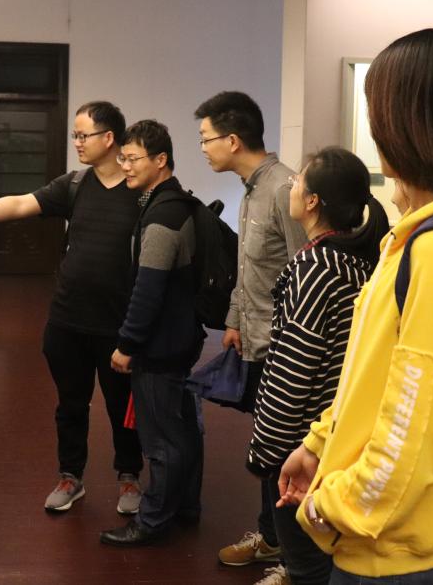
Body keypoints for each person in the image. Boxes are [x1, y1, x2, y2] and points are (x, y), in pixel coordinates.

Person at [277, 28, 433, 583]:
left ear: (410, 125)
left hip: (392, 552)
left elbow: (415, 435)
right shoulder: (421, 239)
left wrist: (330, 507)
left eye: (380, 111)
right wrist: (321, 444)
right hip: (387, 538)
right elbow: (374, 376)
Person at [0, 101, 145, 515]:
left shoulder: (140, 191)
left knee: (122, 407)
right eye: (75, 135)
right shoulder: (75, 185)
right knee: (70, 404)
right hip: (68, 319)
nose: (77, 142)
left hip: (117, 323)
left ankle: (129, 477)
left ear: (109, 138)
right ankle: (70, 476)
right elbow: (19, 203)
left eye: (83, 135)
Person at [248, 147, 390, 585]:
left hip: (301, 443)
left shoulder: (314, 268)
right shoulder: (358, 260)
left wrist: (266, 452)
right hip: (336, 431)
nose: (291, 186)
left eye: (298, 181)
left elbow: (292, 370)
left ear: (312, 201)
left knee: (307, 565)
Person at [195, 91, 306, 568]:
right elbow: (250, 267)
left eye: (206, 139)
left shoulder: (284, 189)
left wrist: (291, 344)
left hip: (285, 348)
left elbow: (306, 271)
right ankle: (272, 537)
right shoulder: (252, 187)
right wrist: (235, 320)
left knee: (282, 451)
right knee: (267, 446)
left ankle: (291, 559)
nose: (203, 148)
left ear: (233, 140)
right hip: (257, 341)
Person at [99, 119, 205, 546]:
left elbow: (148, 288)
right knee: (182, 431)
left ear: (160, 160)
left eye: (132, 158)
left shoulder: (163, 214)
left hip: (161, 345)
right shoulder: (174, 202)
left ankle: (152, 520)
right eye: (123, 158)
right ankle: (185, 506)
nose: (125, 166)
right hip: (180, 338)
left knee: (160, 439)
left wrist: (127, 344)